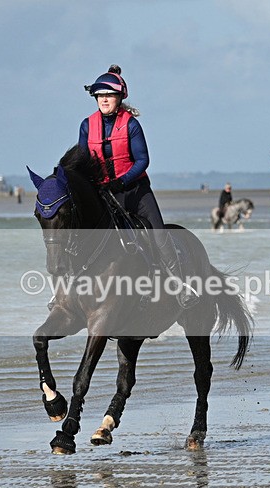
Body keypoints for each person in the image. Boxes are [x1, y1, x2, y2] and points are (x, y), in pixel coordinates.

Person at [79, 64, 198, 308]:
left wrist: (122, 181)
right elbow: (82, 161)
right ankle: (66, 291)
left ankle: (179, 285)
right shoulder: (86, 126)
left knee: (158, 233)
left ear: (119, 98)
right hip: (104, 193)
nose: (104, 100)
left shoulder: (131, 125)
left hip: (135, 191)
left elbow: (143, 160)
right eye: (100, 96)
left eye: (109, 95)